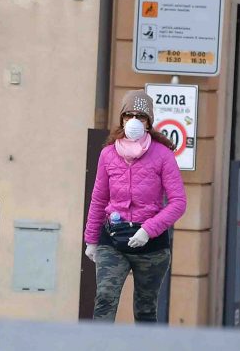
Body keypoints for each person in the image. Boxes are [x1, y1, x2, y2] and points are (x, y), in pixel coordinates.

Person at [84, 90, 187, 323]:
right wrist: (91, 239)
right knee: (104, 298)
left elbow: (178, 202)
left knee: (145, 310)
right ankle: (97, 342)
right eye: (128, 115)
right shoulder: (108, 154)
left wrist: (148, 230)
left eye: (140, 116)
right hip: (113, 240)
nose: (133, 120)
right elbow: (99, 199)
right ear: (121, 119)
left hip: (151, 246)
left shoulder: (163, 155)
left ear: (148, 122)